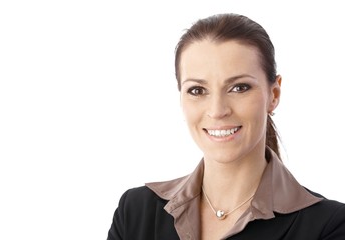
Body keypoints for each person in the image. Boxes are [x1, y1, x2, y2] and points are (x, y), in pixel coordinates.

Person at [107, 13, 345, 239]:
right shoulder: (136, 212)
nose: (217, 110)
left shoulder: (328, 225)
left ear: (274, 94)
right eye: (197, 90)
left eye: (239, 88)